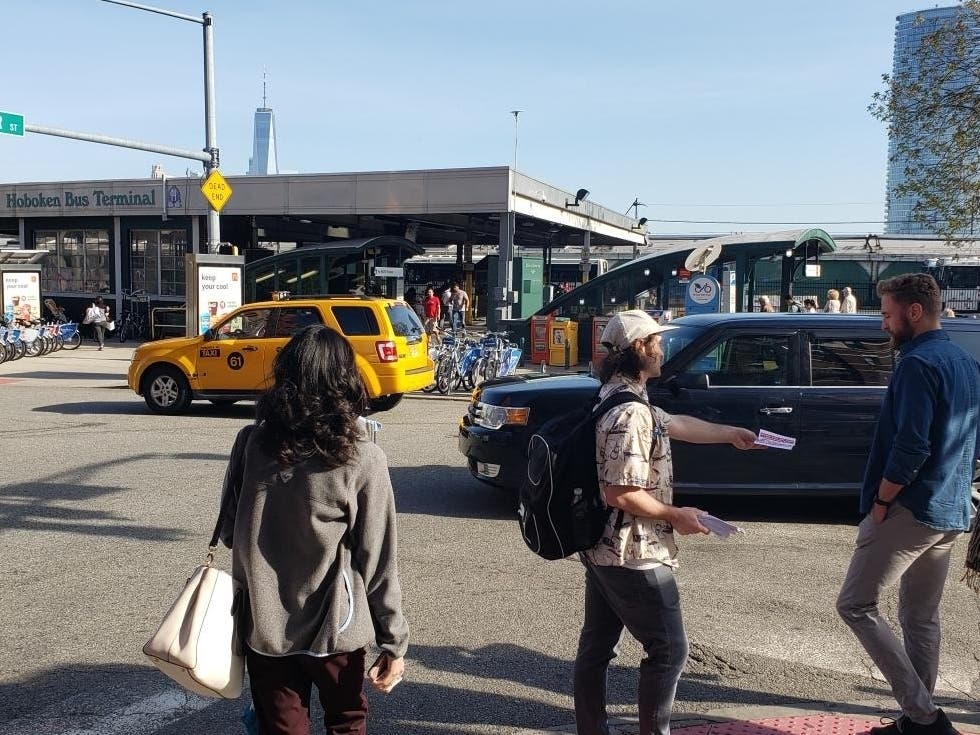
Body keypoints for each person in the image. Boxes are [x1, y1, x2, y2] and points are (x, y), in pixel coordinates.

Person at [217, 325, 409, 735]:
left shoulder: (251, 443)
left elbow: (230, 532)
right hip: (336, 625)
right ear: (345, 379)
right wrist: (393, 641)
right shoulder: (363, 458)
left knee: (282, 727)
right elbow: (377, 558)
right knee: (347, 721)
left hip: (265, 626)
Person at [574, 310, 758, 735]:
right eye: (656, 342)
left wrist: (730, 433)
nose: (662, 349)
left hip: (602, 546)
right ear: (639, 348)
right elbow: (620, 493)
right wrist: (677, 515)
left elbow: (674, 424)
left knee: (597, 647)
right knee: (670, 650)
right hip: (632, 551)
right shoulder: (630, 413)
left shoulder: (617, 395)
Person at [836, 274, 979, 735]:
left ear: (913, 312)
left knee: (855, 605)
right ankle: (917, 722)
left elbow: (911, 446)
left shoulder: (917, 364)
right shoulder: (964, 360)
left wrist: (882, 501)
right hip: (951, 507)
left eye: (886, 314)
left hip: (911, 507)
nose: (883, 324)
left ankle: (924, 715)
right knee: (920, 617)